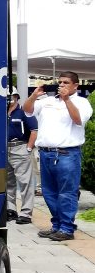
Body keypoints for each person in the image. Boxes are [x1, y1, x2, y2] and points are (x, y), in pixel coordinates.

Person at [23, 71, 93, 241]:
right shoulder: (47, 101)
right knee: (49, 192)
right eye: (60, 82)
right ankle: (57, 225)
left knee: (67, 193)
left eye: (66, 82)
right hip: (45, 152)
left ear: (75, 86)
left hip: (67, 154)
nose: (61, 85)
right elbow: (27, 110)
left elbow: (78, 120)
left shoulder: (82, 102)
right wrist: (34, 96)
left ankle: (67, 228)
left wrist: (67, 99)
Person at [6, 92, 37, 224]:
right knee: (7, 182)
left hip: (20, 147)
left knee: (25, 182)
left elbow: (34, 130)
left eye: (11, 96)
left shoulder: (23, 111)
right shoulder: (2, 112)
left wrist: (28, 148)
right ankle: (10, 209)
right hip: (4, 149)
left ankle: (26, 213)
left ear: (17, 97)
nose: (8, 99)